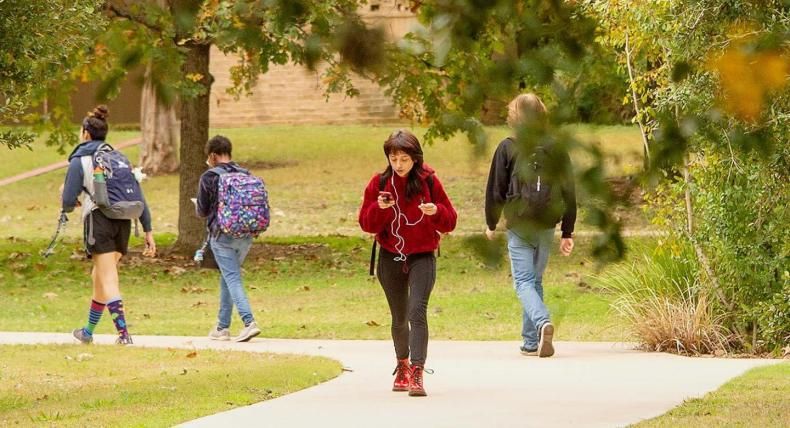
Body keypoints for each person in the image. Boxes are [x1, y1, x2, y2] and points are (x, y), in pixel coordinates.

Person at [359, 129, 457, 397]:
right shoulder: (379, 184)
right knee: (400, 317)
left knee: (417, 312)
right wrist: (378, 208)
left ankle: (417, 371)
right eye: (394, 159)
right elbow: (366, 224)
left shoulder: (430, 182)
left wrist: (436, 211)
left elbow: (450, 221)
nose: (399, 165)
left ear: (415, 158)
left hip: (422, 255)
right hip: (391, 255)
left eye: (404, 158)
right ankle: (401, 364)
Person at [484, 93, 576, 358]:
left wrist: (491, 223)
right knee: (534, 280)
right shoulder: (556, 148)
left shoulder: (508, 146)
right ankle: (530, 342)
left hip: (519, 224)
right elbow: (569, 192)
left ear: (514, 116)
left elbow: (496, 188)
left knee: (523, 281)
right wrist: (567, 231)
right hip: (546, 224)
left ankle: (543, 322)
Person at [63, 105, 156, 345]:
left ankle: (124, 335)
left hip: (99, 220)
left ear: (86, 133)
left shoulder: (80, 159)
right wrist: (148, 229)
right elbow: (139, 195)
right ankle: (88, 332)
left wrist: (67, 201)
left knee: (108, 278)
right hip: (123, 221)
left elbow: (67, 200)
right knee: (100, 277)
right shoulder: (118, 157)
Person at [196, 135, 262, 343]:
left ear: (213, 156)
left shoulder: (209, 177)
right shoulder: (245, 174)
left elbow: (202, 210)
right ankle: (222, 327)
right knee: (228, 276)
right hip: (246, 234)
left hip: (222, 235)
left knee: (232, 277)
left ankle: (249, 322)